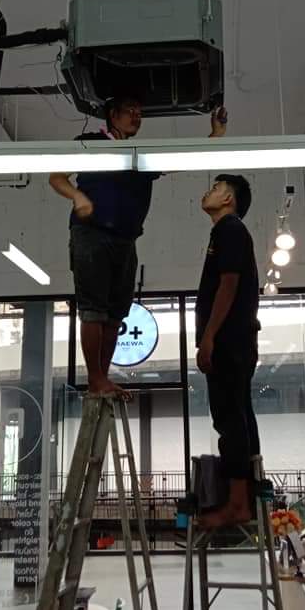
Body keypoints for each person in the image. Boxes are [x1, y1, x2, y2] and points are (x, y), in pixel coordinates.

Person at [49, 95, 226, 397]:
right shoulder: (90, 142)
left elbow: (182, 158)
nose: (136, 116)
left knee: (115, 313)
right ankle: (95, 379)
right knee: (93, 309)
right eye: (130, 111)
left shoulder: (139, 155)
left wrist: (216, 135)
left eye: (139, 112)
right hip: (91, 233)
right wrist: (77, 196)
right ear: (112, 115)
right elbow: (56, 177)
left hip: (126, 239)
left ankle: (101, 378)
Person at [195, 174, 260, 529]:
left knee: (228, 416)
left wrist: (209, 337)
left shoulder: (229, 229)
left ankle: (237, 504)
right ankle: (248, 497)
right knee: (239, 413)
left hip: (229, 339)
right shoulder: (225, 232)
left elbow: (229, 284)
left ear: (228, 200)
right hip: (236, 338)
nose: (209, 191)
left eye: (217, 188)